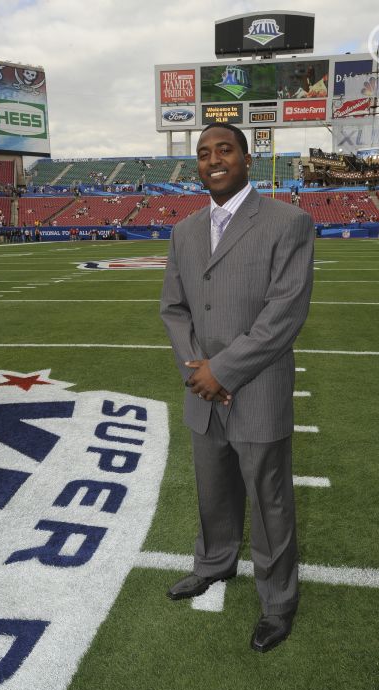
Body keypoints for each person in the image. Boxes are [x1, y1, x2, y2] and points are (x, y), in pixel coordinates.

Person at [159, 122, 314, 654]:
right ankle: (214, 563)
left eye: (224, 149)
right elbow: (174, 309)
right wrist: (195, 368)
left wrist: (221, 370)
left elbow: (284, 314)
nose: (212, 159)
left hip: (256, 387)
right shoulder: (184, 231)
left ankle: (277, 602)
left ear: (247, 158)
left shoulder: (288, 222)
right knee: (213, 491)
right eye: (203, 153)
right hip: (202, 390)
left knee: (270, 502)